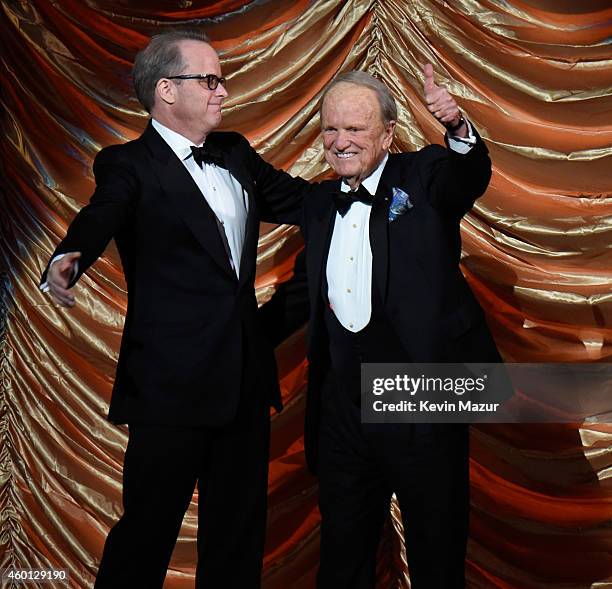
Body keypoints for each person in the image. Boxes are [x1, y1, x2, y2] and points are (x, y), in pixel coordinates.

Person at [40, 28, 307, 589]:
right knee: (146, 536)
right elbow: (103, 213)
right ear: (166, 90)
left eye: (221, 79)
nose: (222, 91)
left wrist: (381, 185)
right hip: (170, 386)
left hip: (242, 382)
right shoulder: (127, 163)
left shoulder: (235, 151)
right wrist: (72, 254)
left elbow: (301, 201)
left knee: (237, 543)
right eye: (209, 80)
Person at [299, 67, 503, 588]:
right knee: (342, 563)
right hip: (344, 411)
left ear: (388, 134)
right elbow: (305, 298)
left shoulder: (425, 175)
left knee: (437, 559)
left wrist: (456, 126)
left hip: (422, 399)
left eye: (356, 130)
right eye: (330, 130)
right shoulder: (321, 205)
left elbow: (468, 177)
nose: (341, 142)